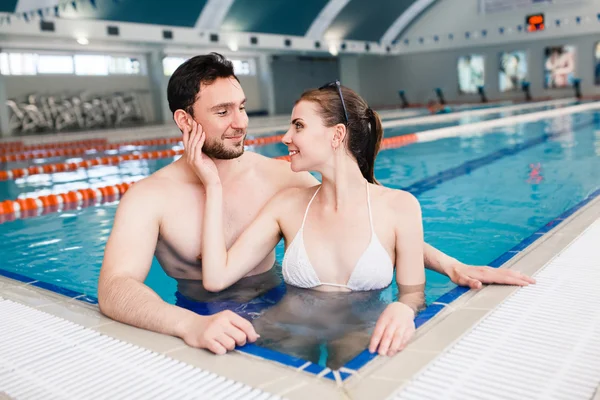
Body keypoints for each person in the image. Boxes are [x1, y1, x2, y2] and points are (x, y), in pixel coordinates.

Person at [98, 53, 535, 356]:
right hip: (200, 315)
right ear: (184, 121)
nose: (242, 123)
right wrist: (187, 325)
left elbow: (358, 220)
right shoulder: (149, 197)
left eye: (243, 107)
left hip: (283, 310)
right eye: (223, 112)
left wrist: (452, 266)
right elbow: (115, 288)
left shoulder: (278, 176)